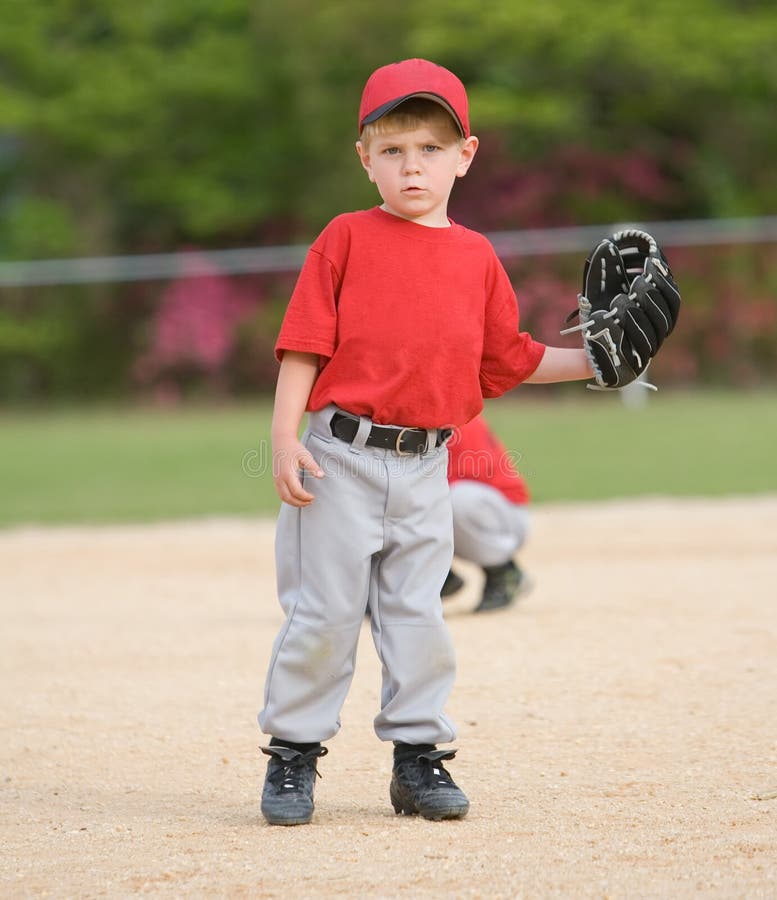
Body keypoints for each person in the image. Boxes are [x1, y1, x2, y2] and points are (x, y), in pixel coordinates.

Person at [259, 57, 595, 827]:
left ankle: (418, 760)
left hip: (426, 468)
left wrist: (599, 363)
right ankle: (292, 756)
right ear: (365, 159)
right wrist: (283, 439)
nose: (412, 165)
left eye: (430, 149)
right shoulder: (344, 238)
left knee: (418, 616)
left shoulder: (475, 256)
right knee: (324, 614)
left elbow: (510, 359)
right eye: (393, 149)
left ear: (464, 155)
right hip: (337, 458)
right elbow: (303, 346)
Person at [443, 414, 532, 613]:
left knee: (455, 501)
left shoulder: (458, 415)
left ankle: (504, 572)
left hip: (502, 516)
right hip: (474, 507)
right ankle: (429, 580)